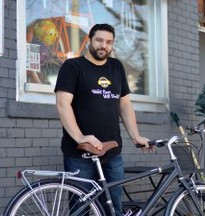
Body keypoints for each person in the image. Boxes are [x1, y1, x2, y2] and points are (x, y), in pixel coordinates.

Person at [54, 23, 150, 215]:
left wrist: (135, 136)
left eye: (108, 42)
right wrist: (80, 137)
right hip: (80, 154)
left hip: (112, 153)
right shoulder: (73, 67)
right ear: (89, 40)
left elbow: (124, 105)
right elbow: (63, 104)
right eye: (99, 40)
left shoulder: (116, 67)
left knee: (112, 209)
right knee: (80, 209)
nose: (103, 45)